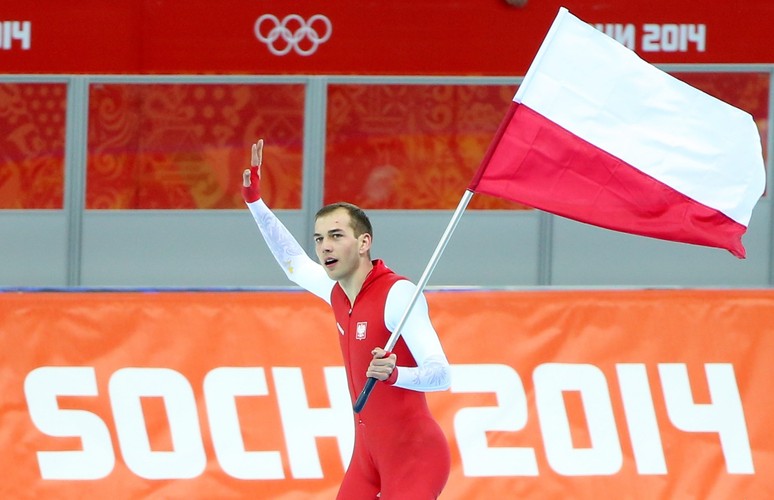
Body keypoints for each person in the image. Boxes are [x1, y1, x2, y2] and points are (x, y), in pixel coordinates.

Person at [242, 139, 451, 499]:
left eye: (336, 236)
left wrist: (396, 373)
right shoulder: (336, 292)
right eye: (320, 238)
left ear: (364, 242)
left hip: (415, 455)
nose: (324, 246)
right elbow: (293, 264)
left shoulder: (397, 294)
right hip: (367, 459)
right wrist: (255, 202)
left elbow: (442, 374)